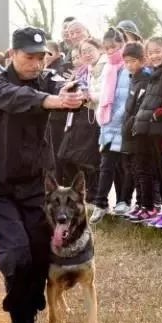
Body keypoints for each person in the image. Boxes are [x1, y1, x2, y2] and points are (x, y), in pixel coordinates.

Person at [0, 26, 87, 323]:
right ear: (12, 54)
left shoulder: (48, 79)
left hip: (36, 186)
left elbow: (64, 87)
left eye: (42, 58)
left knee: (40, 253)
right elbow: (20, 99)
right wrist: (53, 100)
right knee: (17, 253)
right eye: (29, 57)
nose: (36, 64)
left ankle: (31, 317)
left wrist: (72, 94)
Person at [130, 36, 162, 225]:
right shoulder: (154, 73)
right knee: (159, 170)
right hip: (152, 129)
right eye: (150, 53)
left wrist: (157, 114)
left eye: (157, 51)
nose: (154, 55)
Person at [58, 38, 103, 205]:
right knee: (66, 156)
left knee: (88, 159)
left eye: (81, 55)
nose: (78, 59)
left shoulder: (98, 69)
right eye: (76, 56)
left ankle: (92, 192)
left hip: (90, 116)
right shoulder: (79, 74)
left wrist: (85, 94)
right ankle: (78, 191)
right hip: (76, 117)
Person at [94, 27, 133, 220]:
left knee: (123, 166)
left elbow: (126, 98)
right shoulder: (108, 67)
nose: (110, 51)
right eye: (106, 47)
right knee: (107, 164)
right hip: (107, 124)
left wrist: (114, 119)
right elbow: (103, 96)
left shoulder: (127, 68)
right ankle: (100, 202)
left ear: (122, 44)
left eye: (114, 47)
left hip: (121, 122)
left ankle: (123, 201)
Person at [120, 42, 154, 222]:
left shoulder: (146, 79)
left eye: (133, 61)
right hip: (128, 131)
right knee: (133, 170)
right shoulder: (133, 79)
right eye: (126, 62)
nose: (129, 65)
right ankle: (139, 204)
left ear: (142, 60)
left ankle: (147, 205)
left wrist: (131, 124)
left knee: (142, 171)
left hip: (139, 133)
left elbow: (141, 108)